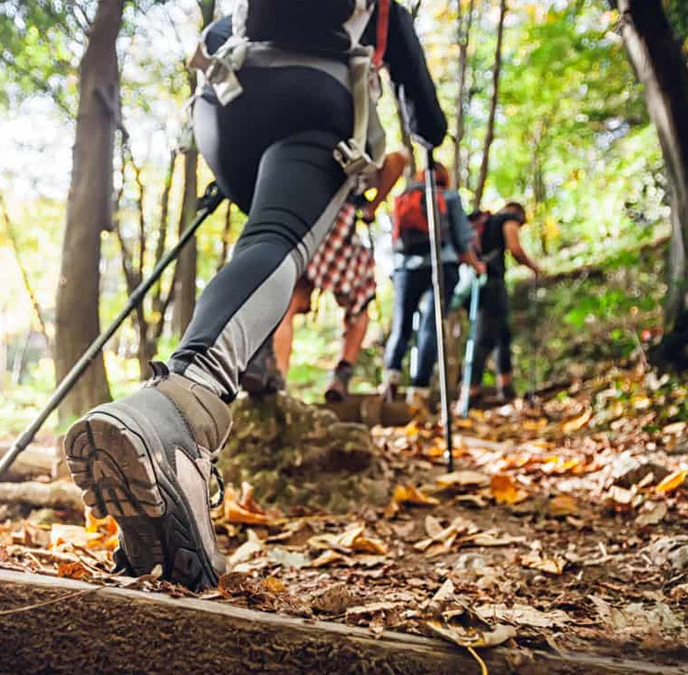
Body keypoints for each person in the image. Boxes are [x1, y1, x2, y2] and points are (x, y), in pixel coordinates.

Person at [63, 1, 447, 591]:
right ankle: (183, 413)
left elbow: (220, 32)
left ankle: (249, 371)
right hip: (310, 102)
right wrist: (426, 134)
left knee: (259, 240)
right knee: (277, 241)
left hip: (224, 105)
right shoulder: (384, 10)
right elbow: (426, 118)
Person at [243, 150, 409, 402]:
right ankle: (341, 375)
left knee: (286, 305)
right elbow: (400, 158)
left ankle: (276, 378)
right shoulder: (355, 147)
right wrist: (371, 206)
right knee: (359, 305)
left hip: (303, 223)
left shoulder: (300, 153)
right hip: (340, 227)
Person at [381, 162, 483, 404]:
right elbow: (462, 239)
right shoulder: (448, 197)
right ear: (444, 178)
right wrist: (476, 265)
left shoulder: (405, 197)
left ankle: (391, 376)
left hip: (406, 268)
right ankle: (419, 389)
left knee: (402, 325)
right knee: (431, 325)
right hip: (442, 265)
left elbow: (393, 240)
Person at [461, 201, 541, 407]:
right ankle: (471, 392)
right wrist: (534, 267)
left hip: (476, 284)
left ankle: (505, 388)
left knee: (502, 334)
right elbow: (514, 247)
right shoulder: (507, 219)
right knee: (484, 337)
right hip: (492, 283)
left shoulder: (484, 223)